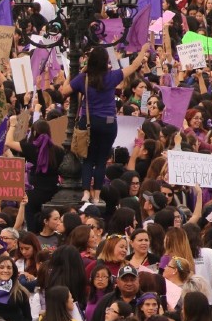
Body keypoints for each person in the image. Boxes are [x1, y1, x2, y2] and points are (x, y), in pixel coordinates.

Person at [58, 45, 148, 204]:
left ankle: (86, 193)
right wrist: (143, 50)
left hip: (89, 123)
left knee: (88, 159)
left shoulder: (83, 78)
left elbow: (64, 91)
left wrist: (74, 74)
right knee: (100, 161)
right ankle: (97, 195)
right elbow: (134, 66)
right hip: (108, 124)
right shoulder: (112, 76)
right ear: (105, 62)